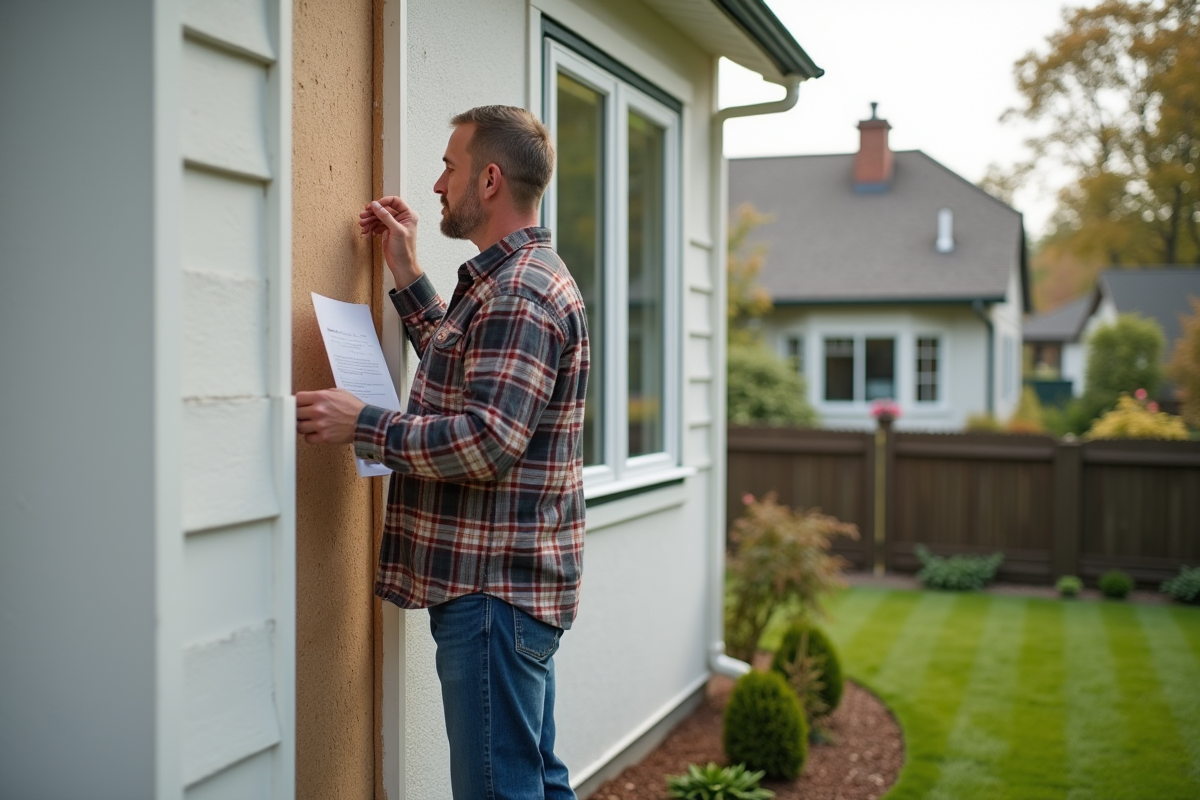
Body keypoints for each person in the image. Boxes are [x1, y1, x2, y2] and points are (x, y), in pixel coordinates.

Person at [296, 105, 588, 800]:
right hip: (508, 593)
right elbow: (464, 371)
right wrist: (404, 268)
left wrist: (365, 424)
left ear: (489, 180)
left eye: (449, 168)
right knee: (535, 782)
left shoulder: (519, 294)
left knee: (501, 790)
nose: (436, 184)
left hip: (493, 595)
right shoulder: (517, 282)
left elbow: (488, 441)